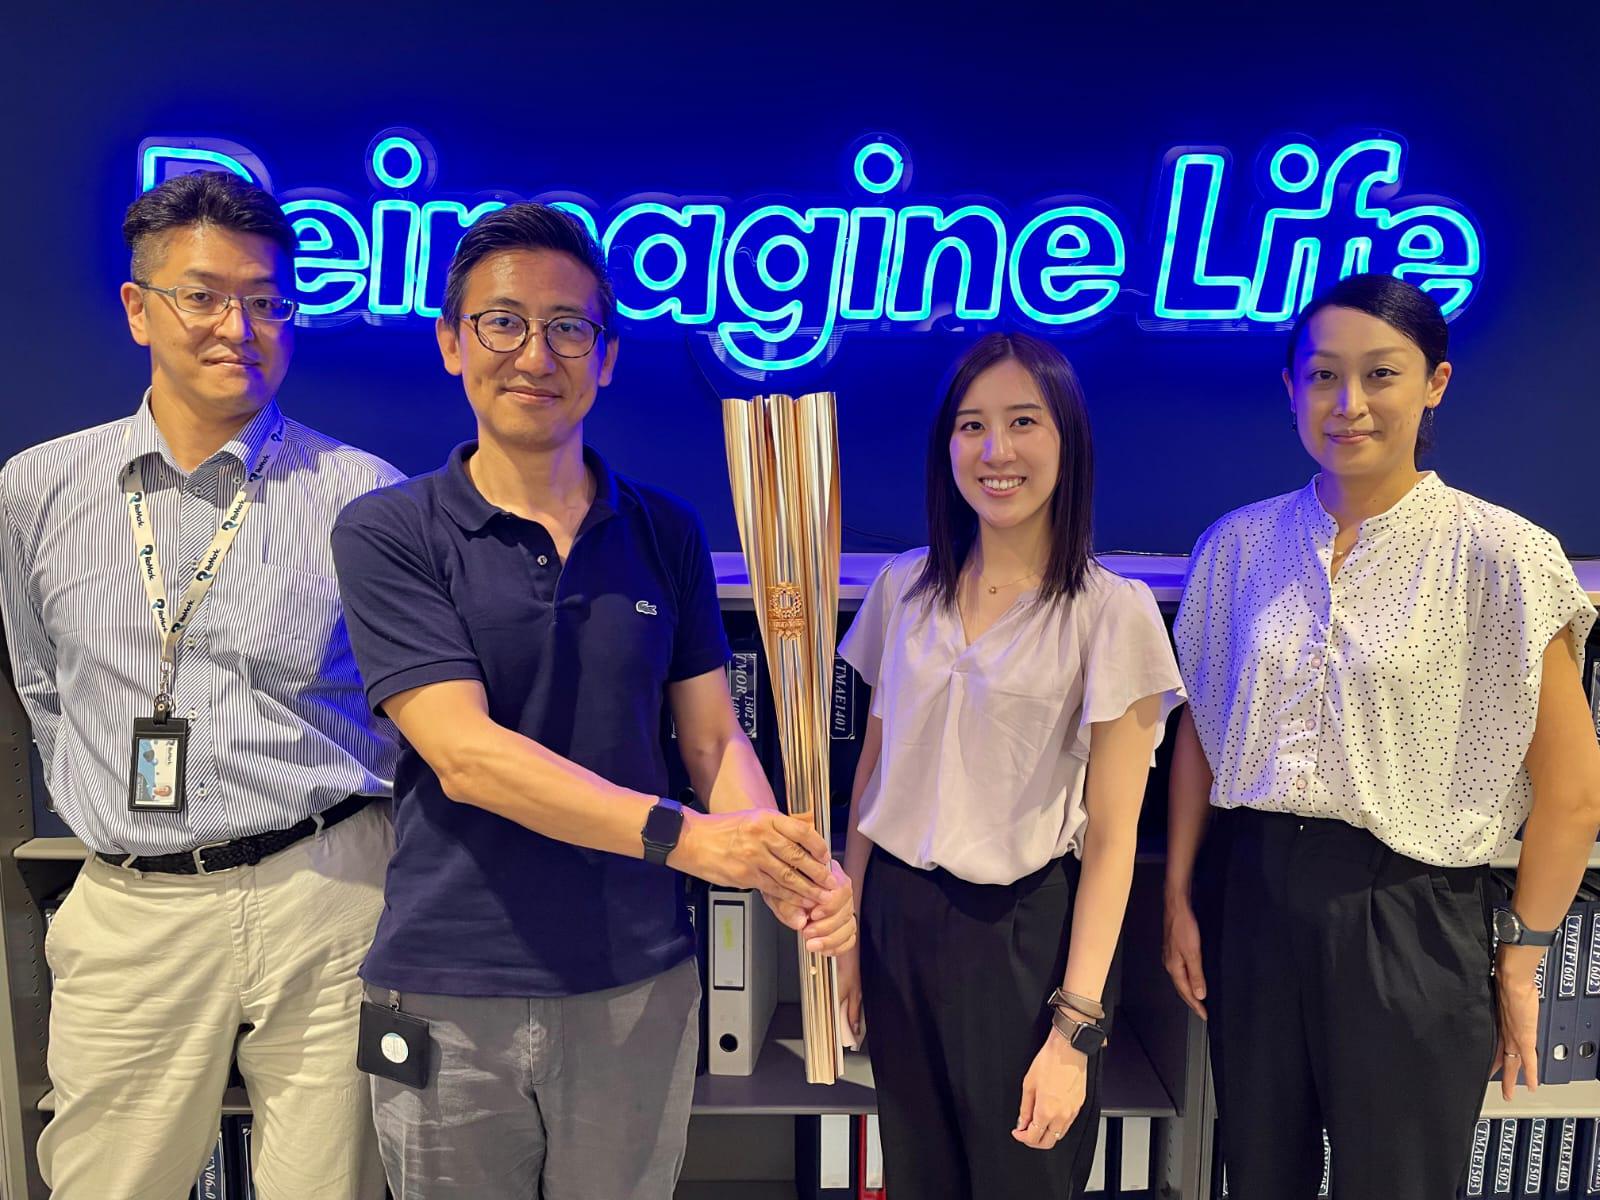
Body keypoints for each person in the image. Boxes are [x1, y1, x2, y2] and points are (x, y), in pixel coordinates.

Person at [329, 202, 856, 1200]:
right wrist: (696, 844)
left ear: (606, 356)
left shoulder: (664, 528)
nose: (537, 352)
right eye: (503, 322)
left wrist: (778, 859)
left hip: (636, 981)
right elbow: (467, 757)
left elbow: (711, 741)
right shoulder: (390, 531)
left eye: (569, 327)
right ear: (451, 342)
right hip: (447, 983)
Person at [0, 170, 402, 1198]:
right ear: (139, 308)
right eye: (205, 295)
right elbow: (44, 687)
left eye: (269, 300)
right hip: (135, 908)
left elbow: (408, 713)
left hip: (331, 891)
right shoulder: (38, 490)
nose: (241, 326)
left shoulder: (362, 498)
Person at [1163, 273, 1600, 1199]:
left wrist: (1523, 960)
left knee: (1397, 1181)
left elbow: (1571, 793)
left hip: (1412, 913)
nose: (1348, 403)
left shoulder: (1503, 555)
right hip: (1255, 897)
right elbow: (1200, 732)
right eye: (1323, 376)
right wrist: (1179, 895)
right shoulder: (1235, 548)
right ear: (1290, 387)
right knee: (1259, 1174)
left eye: (1381, 374)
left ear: (1434, 383)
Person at [832, 332, 1184, 1198]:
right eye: (970, 426)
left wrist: (1074, 1032)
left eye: (1023, 422)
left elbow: (1112, 842)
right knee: (918, 1179)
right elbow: (874, 776)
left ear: (1067, 440)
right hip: (895, 923)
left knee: (1021, 1180)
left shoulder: (1112, 612)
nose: (995, 452)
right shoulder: (901, 590)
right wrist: (846, 936)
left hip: (1023, 941)